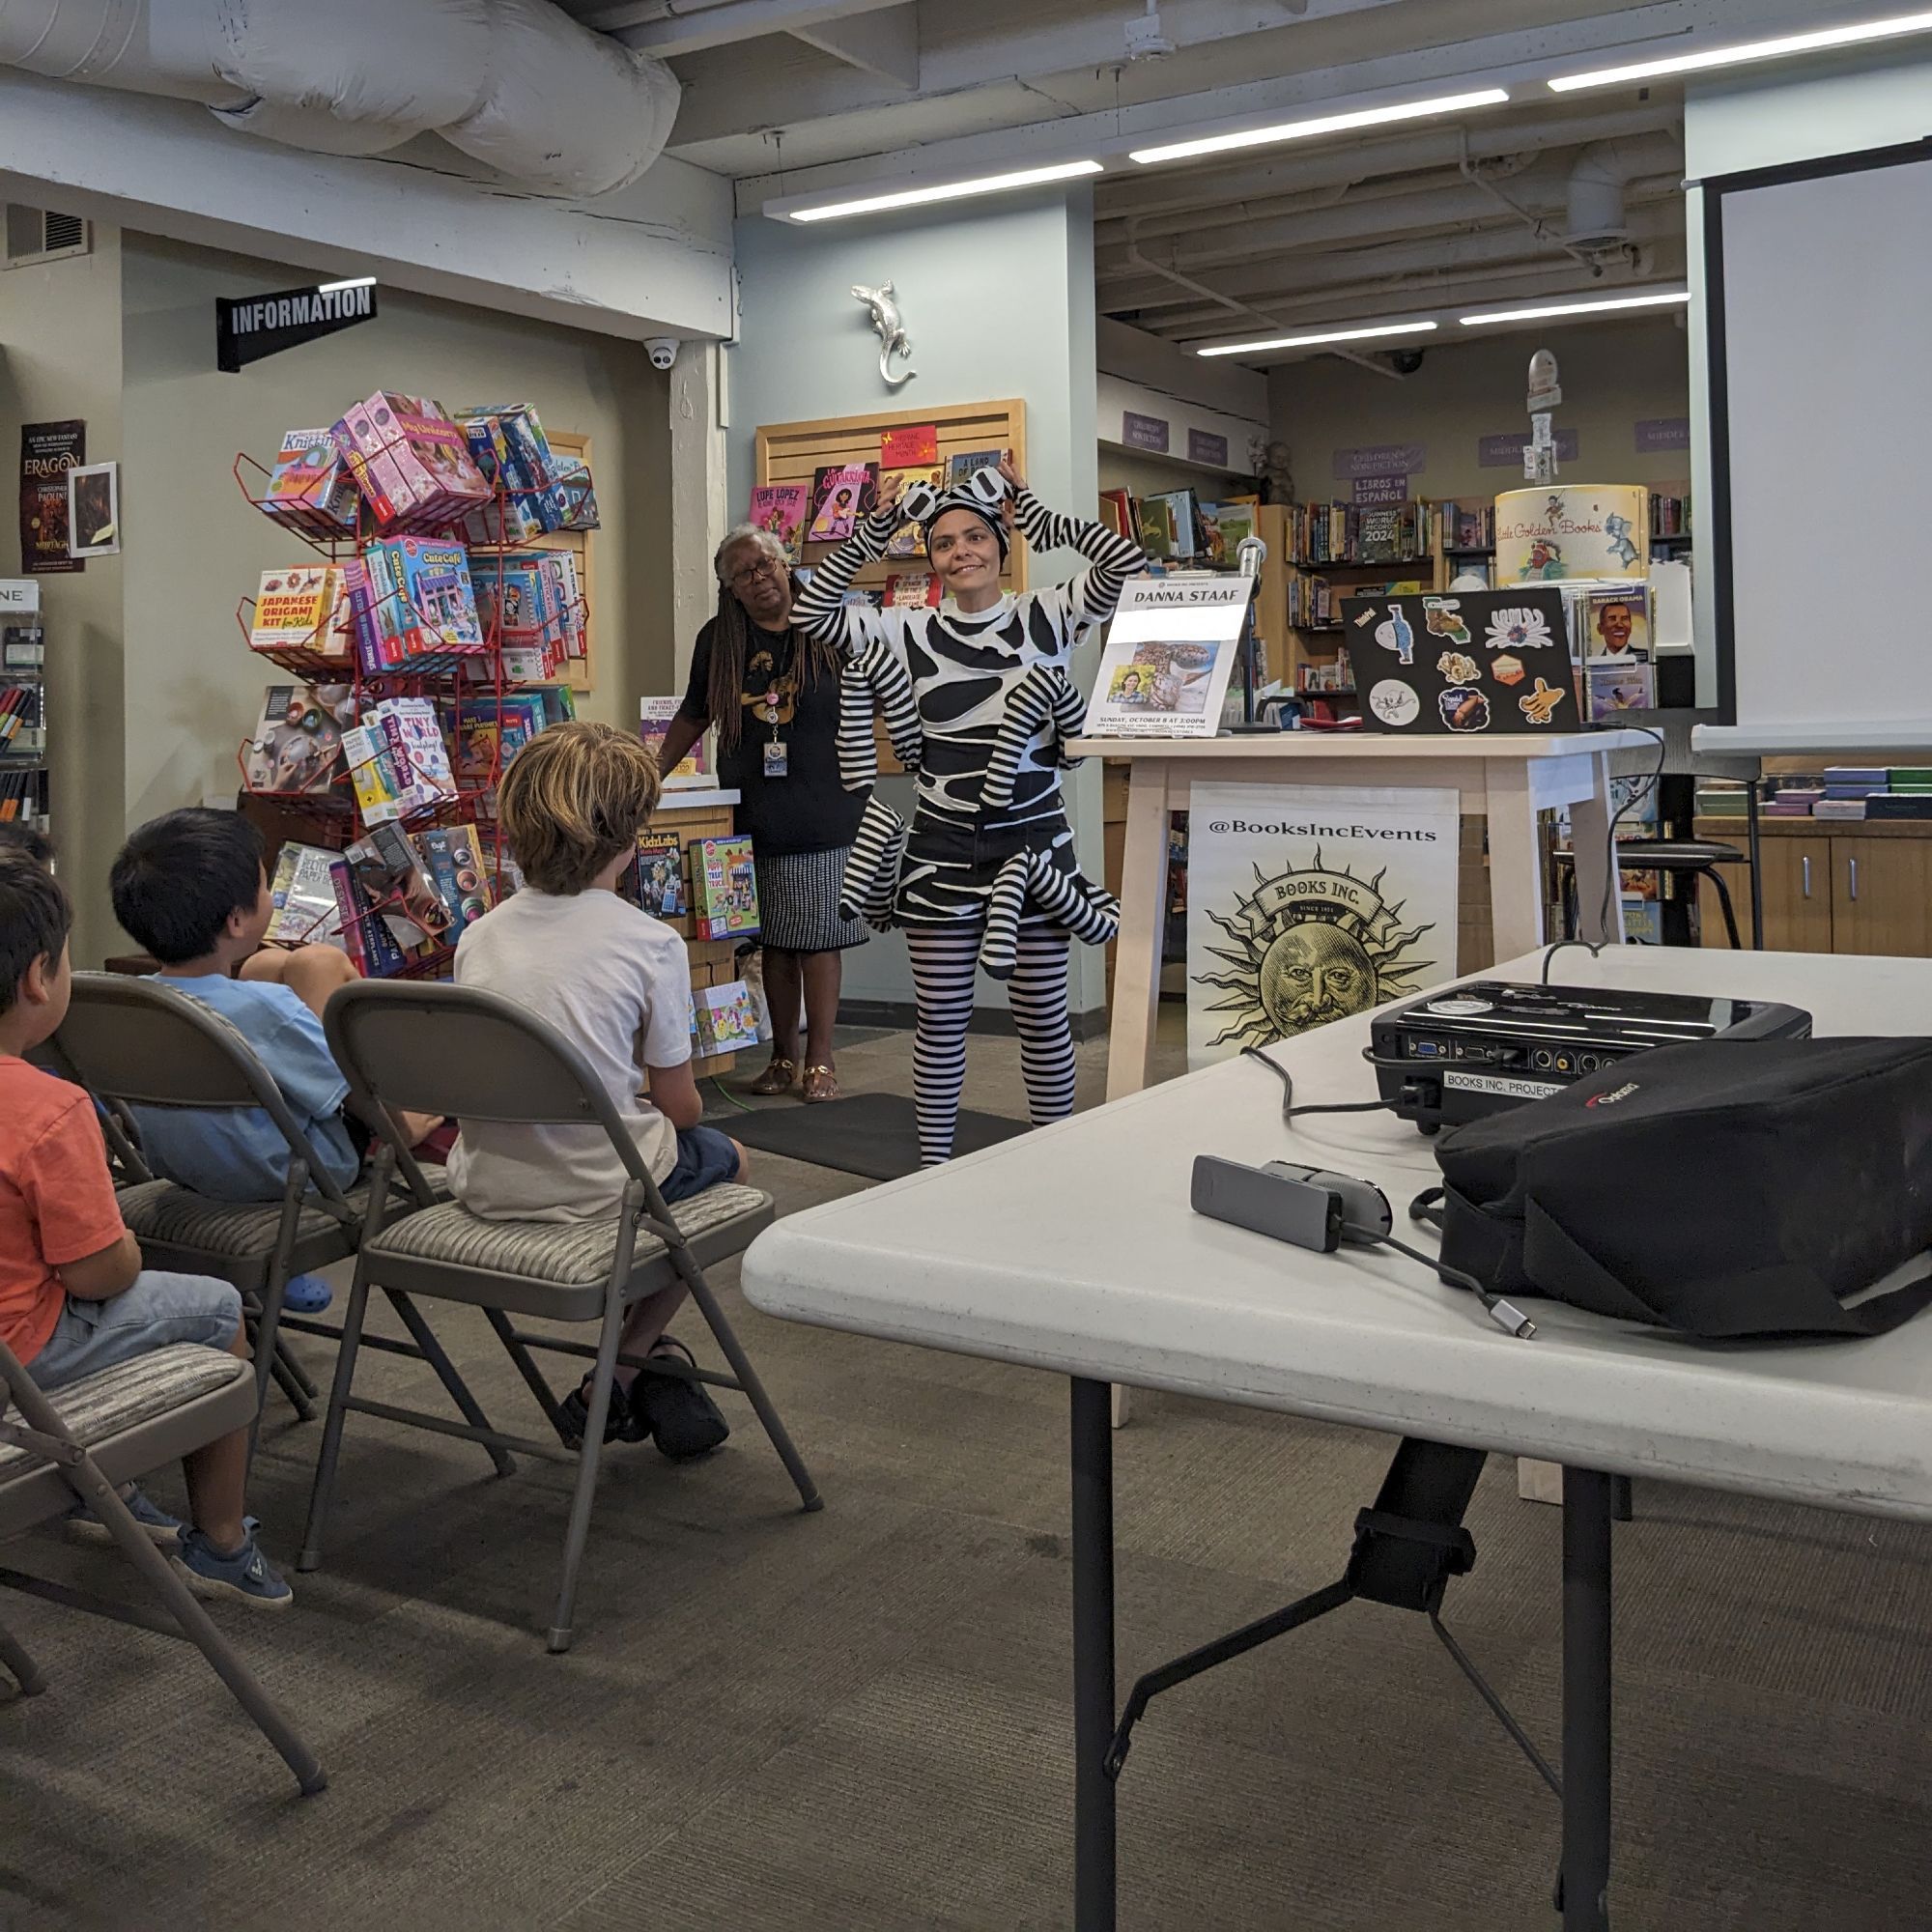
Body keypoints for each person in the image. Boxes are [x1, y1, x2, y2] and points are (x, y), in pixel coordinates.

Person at [794, 455, 1147, 1165]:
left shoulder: (1045, 614)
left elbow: (1126, 562)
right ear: (930, 558)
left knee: (1044, 1018)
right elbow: (811, 610)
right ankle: (935, 1174)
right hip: (941, 849)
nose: (962, 552)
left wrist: (1040, 516)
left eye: (976, 538)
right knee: (942, 1022)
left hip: (1037, 848)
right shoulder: (909, 631)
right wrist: (875, 529)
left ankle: (1055, 1165)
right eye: (945, 544)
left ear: (999, 543)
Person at [0, 852, 290, 1605]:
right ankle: (221, 1543)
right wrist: (124, 1245)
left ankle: (110, 1483)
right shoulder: (45, 1110)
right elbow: (98, 1274)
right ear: (39, 978)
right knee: (218, 1310)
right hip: (20, 1354)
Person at [447, 720, 744, 1457]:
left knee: (661, 1165)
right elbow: (681, 1110)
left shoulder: (478, 936)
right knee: (728, 1162)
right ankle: (621, 1368)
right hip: (598, 1193)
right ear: (631, 835)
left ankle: (651, 1364)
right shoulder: (649, 943)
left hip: (484, 1182)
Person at [108, 809, 440, 1314]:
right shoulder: (270, 1012)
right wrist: (404, 1129)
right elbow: (354, 1093)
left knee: (265, 964)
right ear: (237, 919)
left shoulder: (127, 1003)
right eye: (265, 887)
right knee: (320, 970)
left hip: (183, 1164)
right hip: (293, 1172)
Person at [657, 526, 867, 1104]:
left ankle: (820, 1060)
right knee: (773, 939)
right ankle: (782, 1056)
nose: (759, 578)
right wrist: (648, 773)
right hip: (754, 806)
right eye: (743, 573)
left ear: (785, 564)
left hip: (829, 804)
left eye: (766, 564)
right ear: (730, 588)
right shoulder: (719, 638)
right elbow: (695, 714)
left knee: (820, 935)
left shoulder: (828, 623)